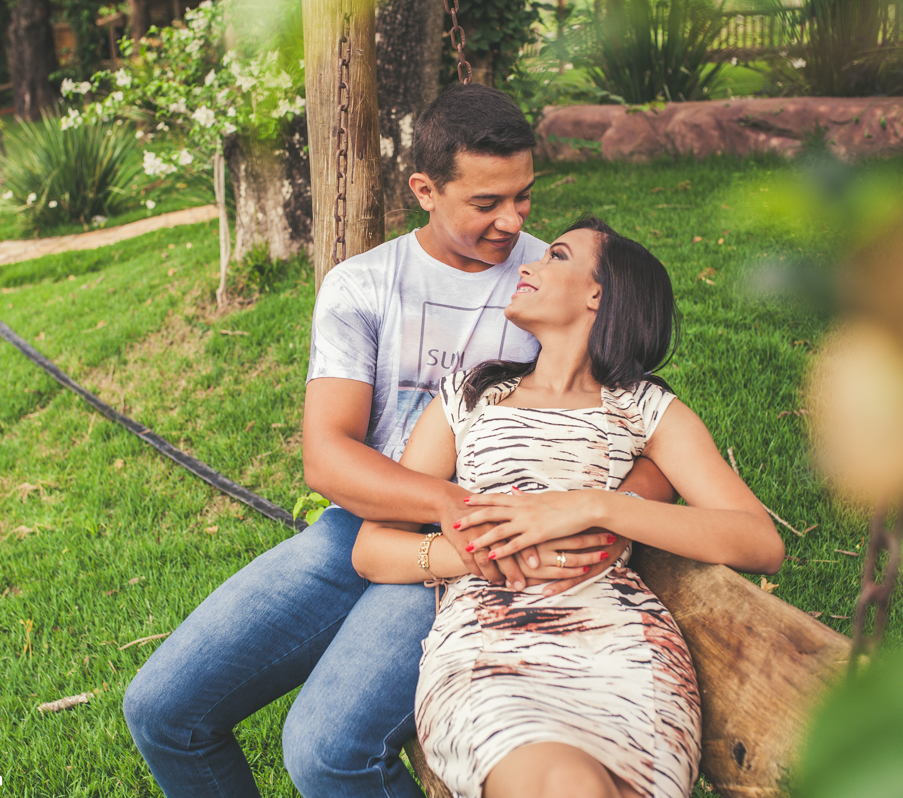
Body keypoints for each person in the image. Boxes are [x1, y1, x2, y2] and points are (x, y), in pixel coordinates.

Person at [122, 84, 674, 798]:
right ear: (424, 189)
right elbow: (328, 455)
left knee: (326, 752)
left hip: (485, 553)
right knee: (164, 710)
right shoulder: (364, 286)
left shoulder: (556, 279)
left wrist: (599, 511)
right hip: (367, 525)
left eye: (524, 197)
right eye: (485, 204)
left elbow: (646, 426)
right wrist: (447, 501)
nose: (512, 223)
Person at [353, 217, 786, 798]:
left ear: (597, 294)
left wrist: (595, 507)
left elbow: (761, 542)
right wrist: (488, 556)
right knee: (561, 784)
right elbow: (371, 549)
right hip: (490, 648)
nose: (527, 264)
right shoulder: (470, 396)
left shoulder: (644, 409)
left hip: (621, 650)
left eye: (556, 256)